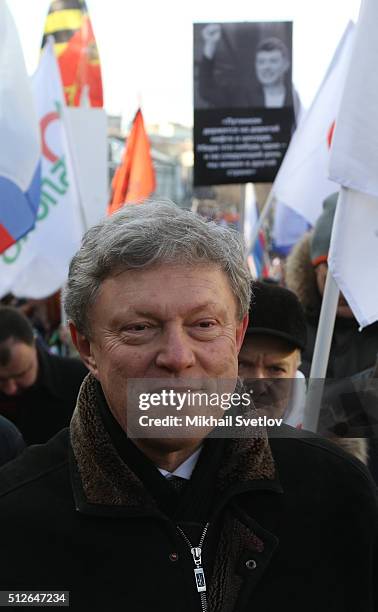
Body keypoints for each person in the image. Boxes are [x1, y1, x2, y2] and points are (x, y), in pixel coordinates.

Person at [0, 201, 376, 611]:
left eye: (203, 325)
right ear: (86, 347)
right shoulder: (17, 519)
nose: (178, 356)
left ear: (237, 334)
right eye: (140, 328)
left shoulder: (334, 492)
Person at [239, 281, 368, 464]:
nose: (259, 382)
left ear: (295, 369)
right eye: (243, 364)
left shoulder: (330, 455)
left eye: (275, 369)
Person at [285, 193, 378, 378]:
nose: (343, 290)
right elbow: (298, 398)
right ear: (315, 270)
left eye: (355, 278)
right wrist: (366, 385)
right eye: (333, 277)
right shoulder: (290, 329)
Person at [0, 306, 87, 445]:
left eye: (21, 374)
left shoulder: (80, 380)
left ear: (34, 343)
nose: (10, 389)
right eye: (2, 380)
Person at [197, 24, 293, 109]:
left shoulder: (296, 99)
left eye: (273, 61)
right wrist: (210, 44)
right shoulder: (241, 97)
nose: (266, 67)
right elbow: (206, 91)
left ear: (286, 65)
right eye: (261, 62)